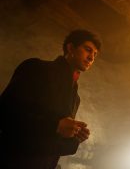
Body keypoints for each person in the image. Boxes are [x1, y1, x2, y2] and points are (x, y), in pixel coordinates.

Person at [0, 29, 101, 169]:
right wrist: (56, 125)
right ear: (70, 48)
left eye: (95, 55)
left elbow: (54, 145)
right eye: (88, 50)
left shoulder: (75, 98)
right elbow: (5, 113)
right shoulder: (37, 68)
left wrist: (75, 137)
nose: (91, 58)